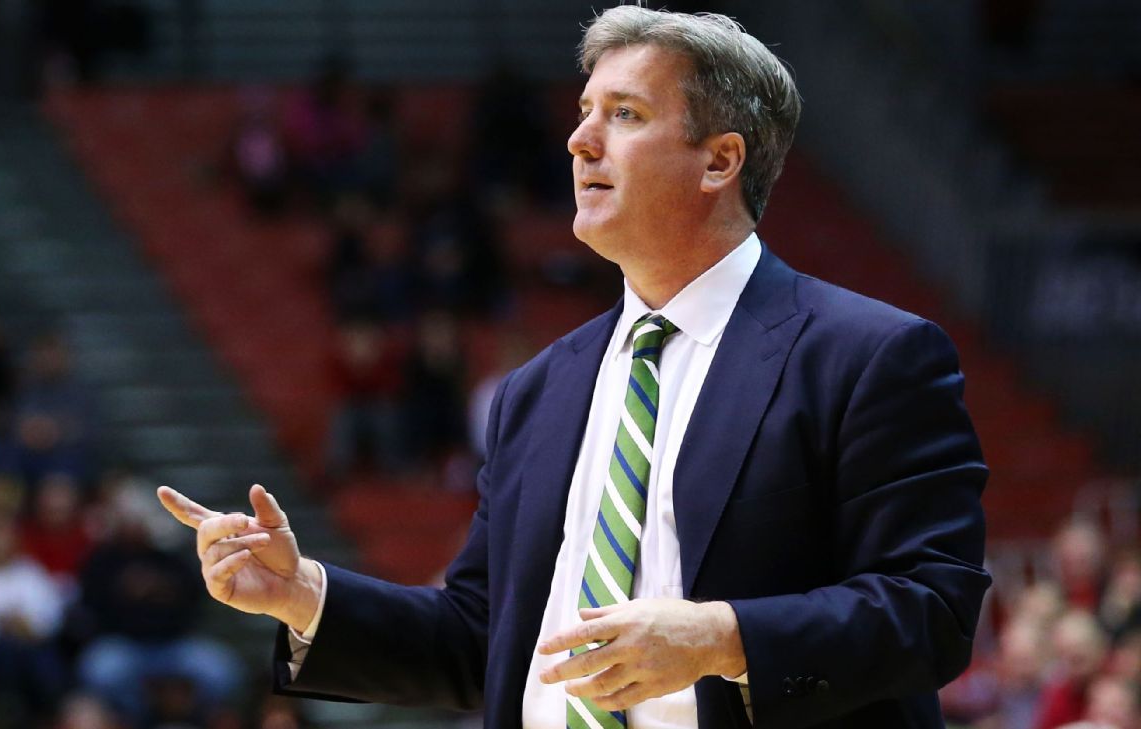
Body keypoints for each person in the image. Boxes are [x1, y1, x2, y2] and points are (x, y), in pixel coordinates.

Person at [157, 6, 990, 728]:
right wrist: (304, 593)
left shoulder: (868, 355)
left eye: (624, 113)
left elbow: (933, 610)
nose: (579, 138)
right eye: (586, 110)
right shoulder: (538, 390)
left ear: (719, 161)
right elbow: (483, 637)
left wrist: (722, 638)